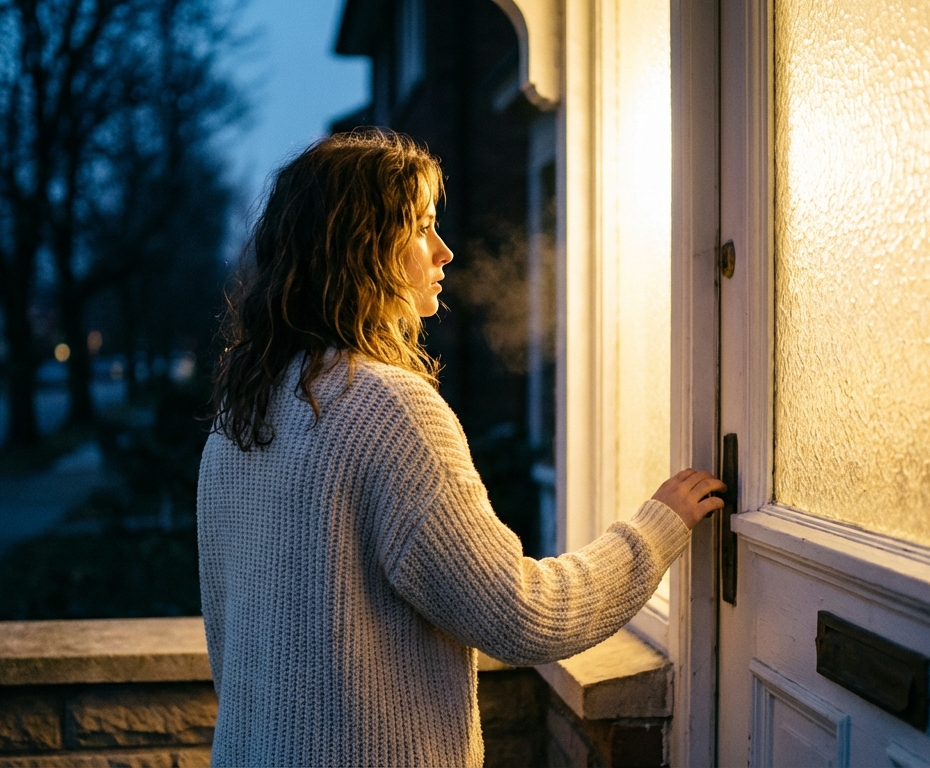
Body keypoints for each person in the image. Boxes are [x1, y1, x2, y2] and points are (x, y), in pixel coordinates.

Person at [198, 129, 725, 767]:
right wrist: (657, 528)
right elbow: (522, 613)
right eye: (422, 227)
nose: (444, 251)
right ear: (363, 247)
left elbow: (234, 644)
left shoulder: (240, 414)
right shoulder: (388, 408)